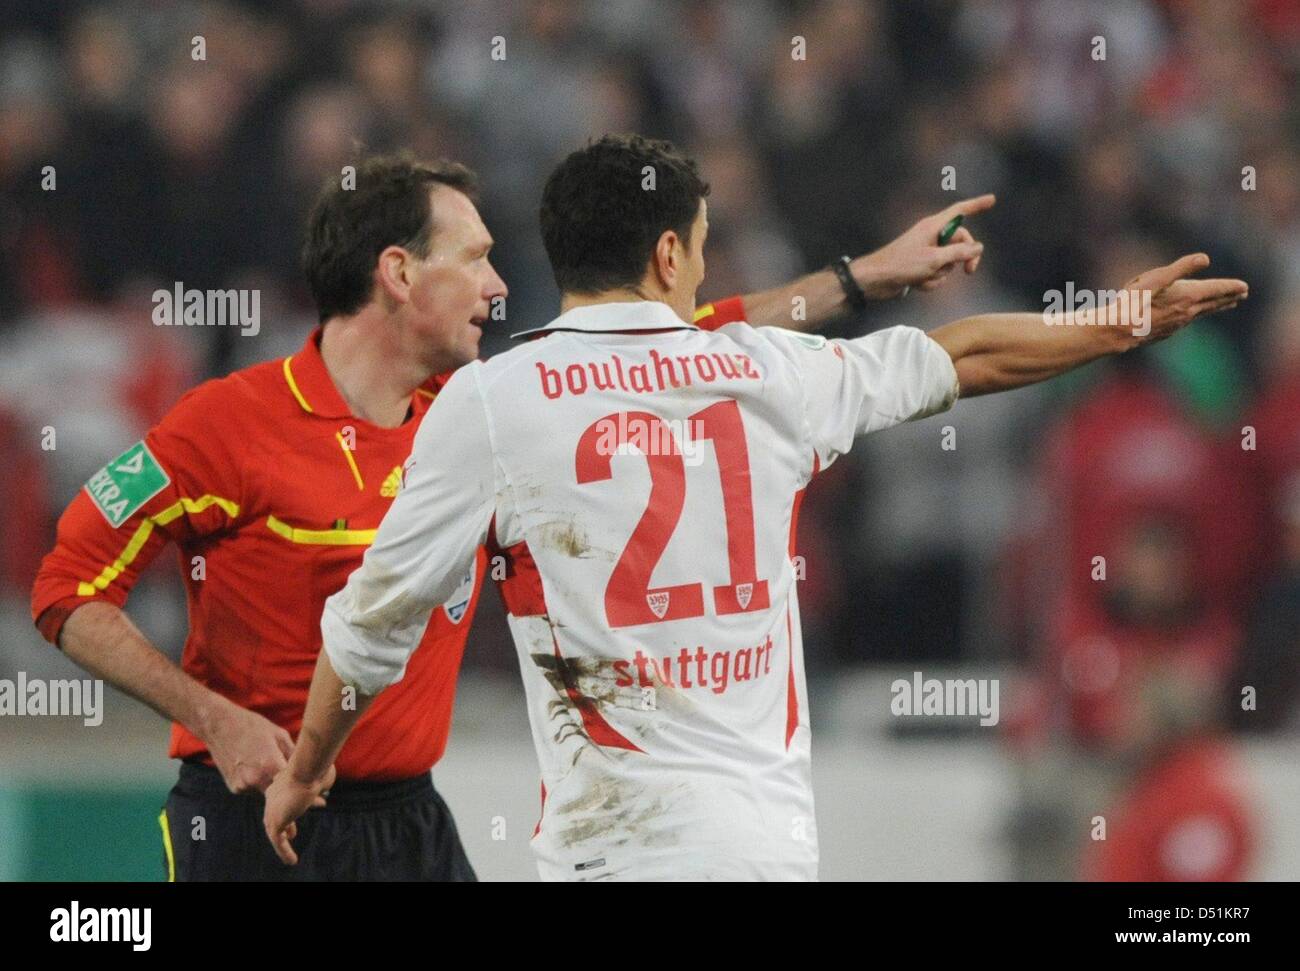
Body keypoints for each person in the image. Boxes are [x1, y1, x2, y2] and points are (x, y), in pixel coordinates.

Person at [264, 133, 1247, 880]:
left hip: (609, 850)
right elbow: (967, 353)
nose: (701, 269)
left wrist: (308, 765)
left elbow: (367, 627)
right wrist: (1115, 323)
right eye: (696, 247)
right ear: (664, 254)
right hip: (761, 850)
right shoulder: (766, 369)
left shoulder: (492, 399)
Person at [32, 152, 989, 881]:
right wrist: (215, 716)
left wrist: (865, 277)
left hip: (410, 820)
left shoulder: (484, 414)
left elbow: (686, 335)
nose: (500, 286)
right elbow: (65, 590)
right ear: (400, 274)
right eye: (479, 258)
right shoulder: (225, 425)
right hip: (248, 820)